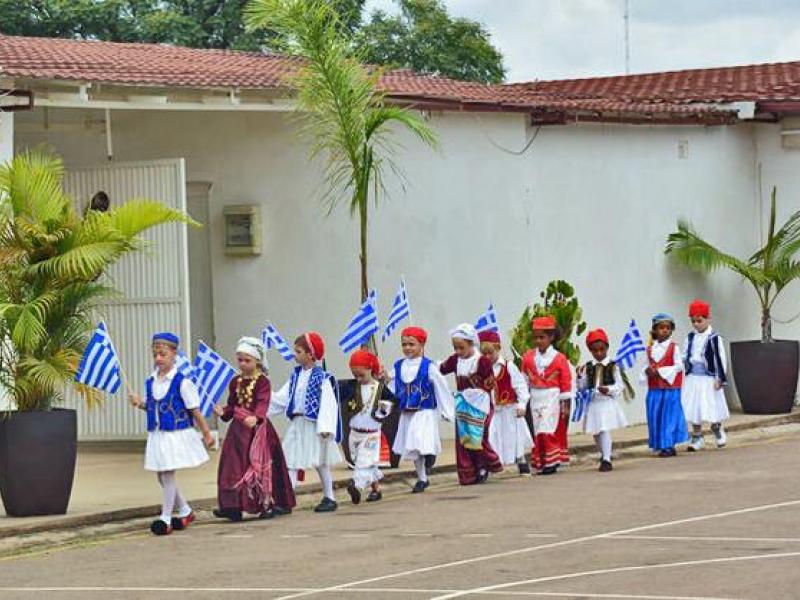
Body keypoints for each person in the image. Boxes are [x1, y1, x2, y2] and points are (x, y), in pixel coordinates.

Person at [128, 332, 214, 536]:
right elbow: (153, 406)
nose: (158, 358)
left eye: (163, 354)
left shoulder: (182, 382)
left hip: (175, 434)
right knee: (161, 476)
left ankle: (165, 517)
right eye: (155, 354)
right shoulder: (151, 381)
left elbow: (194, 410)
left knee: (167, 474)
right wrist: (140, 403)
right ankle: (185, 510)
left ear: (174, 354)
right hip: (158, 434)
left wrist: (206, 433)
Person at [213, 337, 295, 522]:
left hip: (257, 431)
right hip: (237, 432)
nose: (242, 364)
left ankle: (266, 502)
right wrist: (224, 412)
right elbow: (233, 405)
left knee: (261, 466)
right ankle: (232, 506)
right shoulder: (235, 381)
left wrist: (256, 417)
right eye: (240, 360)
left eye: (247, 360)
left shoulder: (262, 382)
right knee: (232, 467)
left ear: (257, 361)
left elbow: (263, 402)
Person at [270, 332, 342, 513]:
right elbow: (282, 398)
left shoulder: (322, 377)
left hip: (314, 425)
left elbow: (328, 403)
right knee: (291, 461)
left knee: (321, 462)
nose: (294, 354)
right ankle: (286, 500)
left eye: (298, 351)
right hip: (297, 423)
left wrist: (325, 427)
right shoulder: (295, 376)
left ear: (310, 354)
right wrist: (265, 396)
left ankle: (329, 497)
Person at [382, 327, 454, 493]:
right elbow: (392, 385)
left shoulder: (428, 366)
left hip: (425, 411)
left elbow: (441, 386)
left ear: (422, 345)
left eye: (411, 344)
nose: (407, 348)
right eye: (404, 344)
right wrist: (385, 378)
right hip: (407, 412)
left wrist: (446, 410)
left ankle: (429, 454)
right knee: (413, 447)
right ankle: (422, 478)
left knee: (419, 438)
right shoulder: (398, 366)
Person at [440, 323, 503, 485]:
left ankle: (485, 464)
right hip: (463, 403)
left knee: (477, 437)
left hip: (480, 403)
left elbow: (490, 383)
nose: (458, 351)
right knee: (463, 440)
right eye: (455, 348)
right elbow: (441, 369)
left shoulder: (482, 361)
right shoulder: (455, 360)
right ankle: (467, 473)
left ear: (471, 343)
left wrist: (478, 391)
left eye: (461, 347)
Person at [340, 349, 396, 504]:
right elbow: (336, 394)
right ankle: (376, 489)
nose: (358, 378)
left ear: (370, 369)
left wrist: (385, 409)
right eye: (355, 375)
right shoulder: (351, 387)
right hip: (354, 433)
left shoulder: (380, 388)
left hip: (371, 433)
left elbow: (394, 401)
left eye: (361, 375)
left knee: (364, 461)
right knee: (362, 461)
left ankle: (356, 486)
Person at [521, 316, 572, 475]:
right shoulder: (528, 357)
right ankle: (542, 461)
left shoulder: (559, 358)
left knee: (547, 427)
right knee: (538, 430)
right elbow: (524, 379)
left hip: (552, 396)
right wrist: (523, 399)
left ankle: (551, 461)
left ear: (551, 337)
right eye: (536, 337)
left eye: (542, 337)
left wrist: (565, 403)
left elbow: (566, 381)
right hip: (535, 396)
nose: (538, 341)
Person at [481, 331, 533, 475]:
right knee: (491, 438)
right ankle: (488, 465)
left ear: (498, 349)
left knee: (514, 437)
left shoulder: (509, 366)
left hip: (510, 409)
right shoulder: (481, 369)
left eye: (490, 353)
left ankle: (521, 460)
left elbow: (520, 386)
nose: (487, 357)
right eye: (484, 354)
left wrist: (522, 404)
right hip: (492, 411)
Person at [577, 329, 628, 472]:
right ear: (590, 350)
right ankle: (604, 453)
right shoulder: (587, 367)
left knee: (604, 429)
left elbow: (620, 386)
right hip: (593, 402)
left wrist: (609, 389)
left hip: (606, 402)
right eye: (595, 351)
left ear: (607, 348)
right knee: (596, 431)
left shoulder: (613, 366)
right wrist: (579, 377)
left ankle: (606, 459)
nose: (599, 353)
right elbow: (582, 387)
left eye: (602, 350)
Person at [682, 299, 730, 451]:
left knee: (710, 405)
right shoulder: (690, 337)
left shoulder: (714, 338)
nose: (696, 324)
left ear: (708, 319)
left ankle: (717, 427)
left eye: (699, 321)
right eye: (693, 321)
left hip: (709, 378)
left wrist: (720, 378)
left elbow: (720, 359)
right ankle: (697, 436)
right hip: (693, 377)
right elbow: (685, 355)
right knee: (694, 408)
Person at [643, 313, 689, 457]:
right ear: (655, 330)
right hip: (655, 389)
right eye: (661, 328)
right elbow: (645, 366)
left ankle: (668, 445)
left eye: (668, 328)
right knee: (655, 416)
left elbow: (679, 366)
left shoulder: (674, 348)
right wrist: (647, 371)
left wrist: (661, 372)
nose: (665, 330)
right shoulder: (650, 349)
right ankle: (659, 444)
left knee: (669, 417)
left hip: (670, 389)